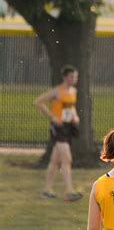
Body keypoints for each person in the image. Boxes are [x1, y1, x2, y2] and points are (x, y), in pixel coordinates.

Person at [34, 64, 82, 201]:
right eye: (72, 76)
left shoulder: (73, 91)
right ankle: (69, 192)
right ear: (65, 77)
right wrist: (52, 116)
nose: (74, 79)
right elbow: (38, 102)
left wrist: (75, 116)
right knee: (67, 159)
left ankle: (47, 190)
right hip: (58, 128)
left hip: (68, 128)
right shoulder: (57, 91)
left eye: (75, 76)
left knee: (54, 160)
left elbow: (71, 108)